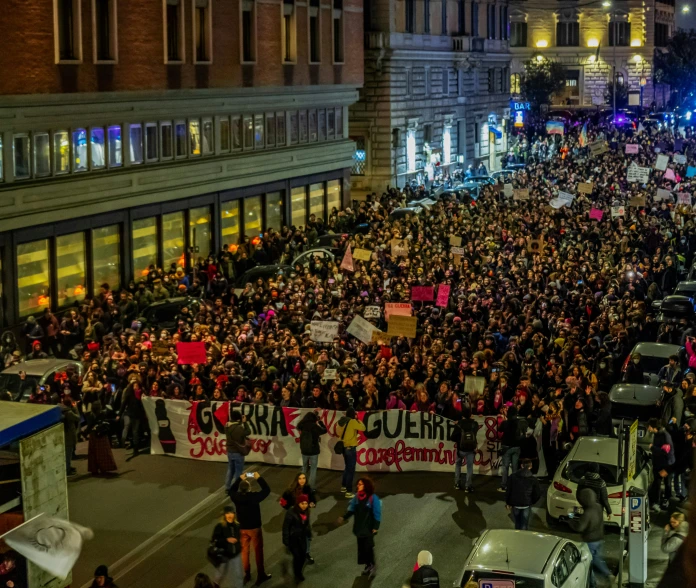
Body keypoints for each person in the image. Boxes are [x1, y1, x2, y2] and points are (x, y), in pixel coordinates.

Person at [228, 471, 272, 586]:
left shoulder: (236, 497)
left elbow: (231, 490)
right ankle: (261, 574)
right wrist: (259, 478)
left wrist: (239, 479)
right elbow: (267, 490)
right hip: (254, 528)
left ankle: (247, 574)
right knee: (258, 551)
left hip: (242, 528)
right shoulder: (254, 497)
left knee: (245, 551)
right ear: (249, 488)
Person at [568, 488, 613, 588]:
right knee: (598, 558)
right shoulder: (598, 506)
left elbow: (580, 527)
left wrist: (570, 520)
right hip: (600, 537)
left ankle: (593, 582)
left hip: (590, 540)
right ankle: (607, 574)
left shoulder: (587, 513)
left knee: (589, 562)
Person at [337, 477, 381, 578]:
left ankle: (372, 565)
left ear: (366, 486)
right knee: (362, 548)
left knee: (368, 547)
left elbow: (377, 514)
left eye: (360, 484)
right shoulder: (356, 497)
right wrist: (344, 517)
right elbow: (351, 510)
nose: (358, 486)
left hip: (369, 528)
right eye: (358, 484)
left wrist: (375, 527)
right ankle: (368, 565)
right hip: (359, 528)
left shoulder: (373, 498)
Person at [211, 506, 244, 588]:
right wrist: (226, 540)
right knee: (221, 572)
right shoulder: (220, 526)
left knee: (238, 574)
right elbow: (215, 541)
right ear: (224, 515)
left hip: (235, 554)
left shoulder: (237, 525)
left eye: (231, 513)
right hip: (224, 554)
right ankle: (216, 584)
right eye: (227, 513)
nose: (230, 515)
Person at [336, 408, 366, 498]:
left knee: (347, 467)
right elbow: (363, 428)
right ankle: (349, 491)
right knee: (351, 469)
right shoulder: (352, 422)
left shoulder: (340, 421)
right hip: (350, 447)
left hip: (343, 447)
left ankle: (343, 486)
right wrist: (357, 419)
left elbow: (337, 432)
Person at [282, 494, 312, 583]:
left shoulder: (306, 511)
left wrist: (308, 533)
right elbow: (286, 527)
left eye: (306, 503)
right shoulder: (291, 512)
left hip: (302, 537)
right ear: (298, 503)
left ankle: (298, 571)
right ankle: (297, 573)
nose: (304, 505)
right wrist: (286, 540)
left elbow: (306, 524)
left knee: (303, 556)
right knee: (297, 557)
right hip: (293, 539)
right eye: (302, 503)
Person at [505, 458, 541, 530]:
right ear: (530, 466)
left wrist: (508, 502)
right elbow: (537, 494)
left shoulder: (513, 476)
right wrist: (531, 501)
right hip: (526, 505)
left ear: (521, 465)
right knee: (524, 524)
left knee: (517, 523)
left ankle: (517, 536)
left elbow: (509, 490)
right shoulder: (533, 480)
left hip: (515, 504)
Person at [648, 418, 675, 512]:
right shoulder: (657, 434)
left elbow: (665, 451)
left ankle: (666, 500)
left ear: (653, 427)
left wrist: (653, 448)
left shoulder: (664, 435)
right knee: (657, 483)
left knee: (667, 483)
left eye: (649, 426)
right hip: (658, 463)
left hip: (666, 464)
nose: (648, 428)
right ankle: (656, 502)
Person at [85, 401, 117, 476]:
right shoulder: (103, 414)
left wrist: (85, 433)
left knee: (93, 452)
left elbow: (89, 426)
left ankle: (94, 469)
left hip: (93, 435)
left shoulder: (90, 415)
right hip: (102, 435)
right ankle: (104, 467)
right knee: (103, 452)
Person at [498, 406, 526, 492]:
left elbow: (499, 429)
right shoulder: (520, 422)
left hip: (506, 447)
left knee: (505, 467)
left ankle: (504, 485)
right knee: (515, 467)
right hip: (516, 447)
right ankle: (514, 485)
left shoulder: (505, 423)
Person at [297, 411, 327, 489]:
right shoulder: (314, 426)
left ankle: (301, 485)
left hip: (304, 450)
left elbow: (298, 426)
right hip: (314, 450)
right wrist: (320, 422)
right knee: (313, 469)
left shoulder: (302, 425)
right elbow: (324, 430)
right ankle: (311, 487)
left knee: (304, 467)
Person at [451, 407, 478, 492]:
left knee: (458, 465)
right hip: (470, 449)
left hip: (460, 449)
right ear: (470, 414)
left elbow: (452, 437)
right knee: (469, 467)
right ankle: (468, 486)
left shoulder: (459, 424)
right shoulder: (475, 424)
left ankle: (457, 483)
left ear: (462, 415)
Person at [225, 410, 251, 491]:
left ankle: (227, 487)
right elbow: (248, 431)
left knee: (230, 469)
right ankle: (236, 488)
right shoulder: (239, 428)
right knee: (238, 471)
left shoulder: (227, 425)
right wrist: (245, 422)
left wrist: (240, 422)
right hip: (238, 452)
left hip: (230, 451)